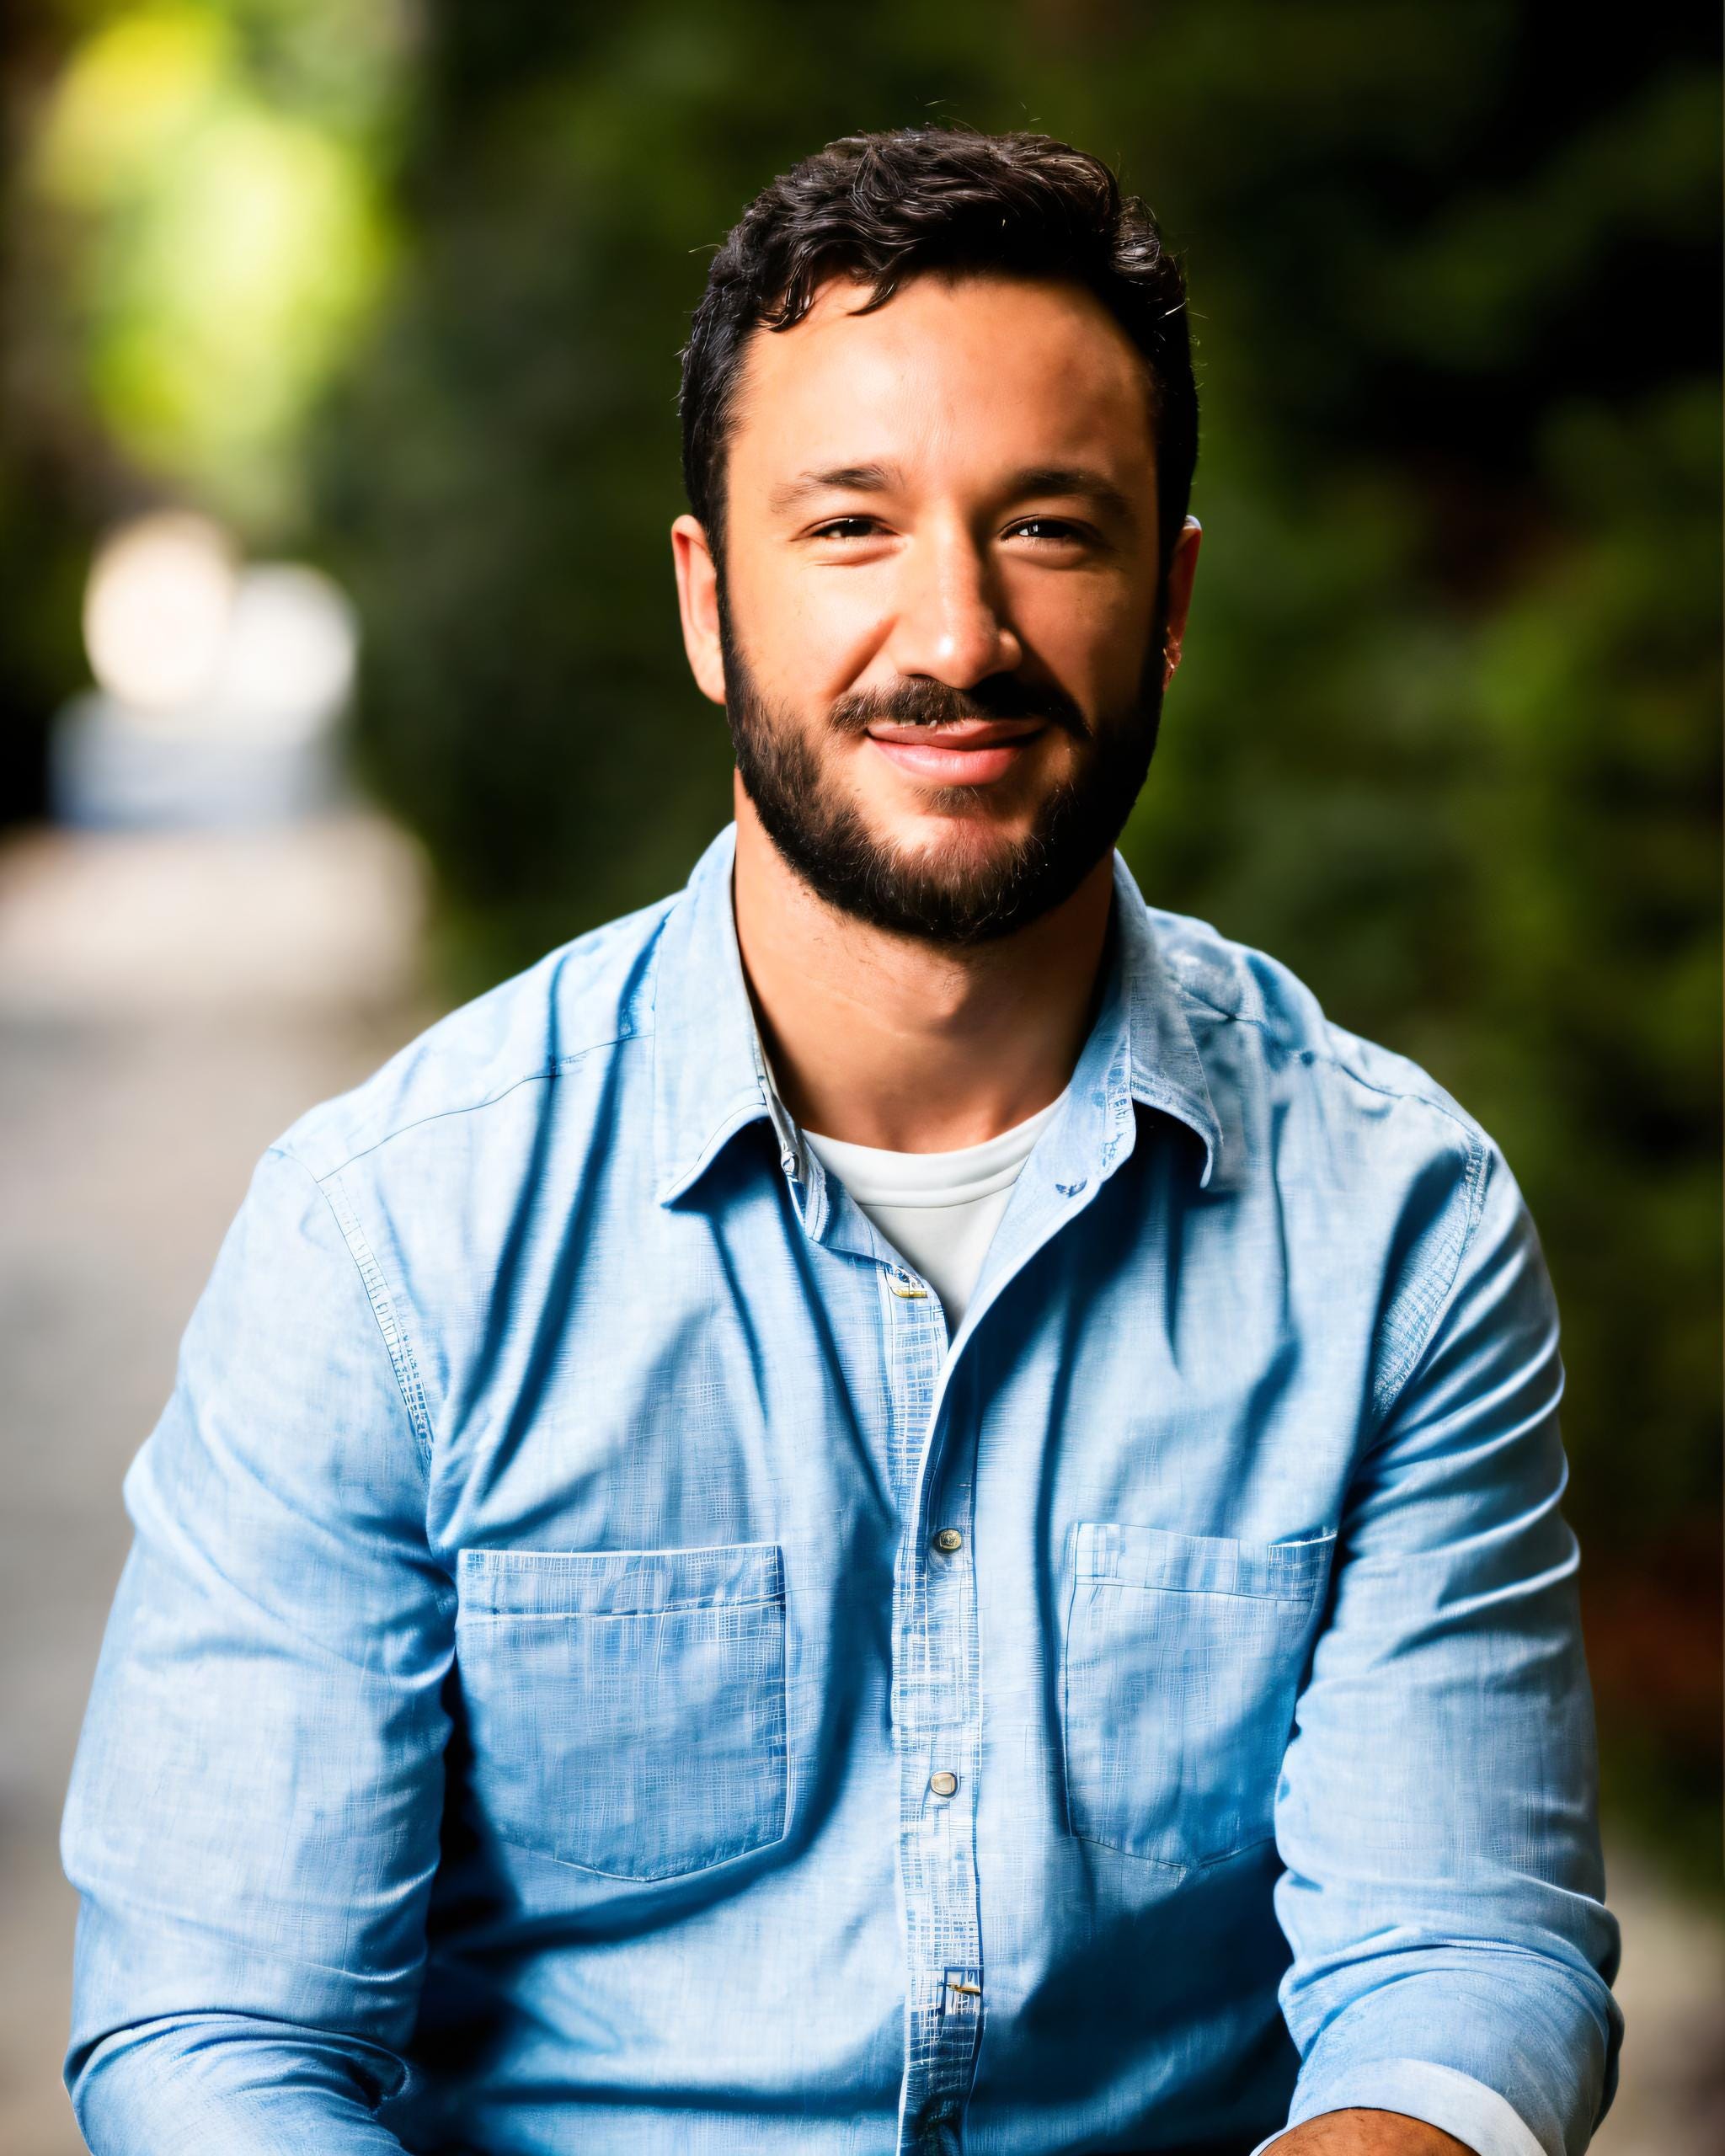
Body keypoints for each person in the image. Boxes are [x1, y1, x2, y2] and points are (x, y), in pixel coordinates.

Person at [61, 128, 1621, 2156]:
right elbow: (216, 2039)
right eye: (852, 526)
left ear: (1170, 598)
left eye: (1050, 527)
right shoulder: (390, 1238)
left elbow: (1462, 1954)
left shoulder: (1396, 1226)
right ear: (710, 600)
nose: (955, 635)